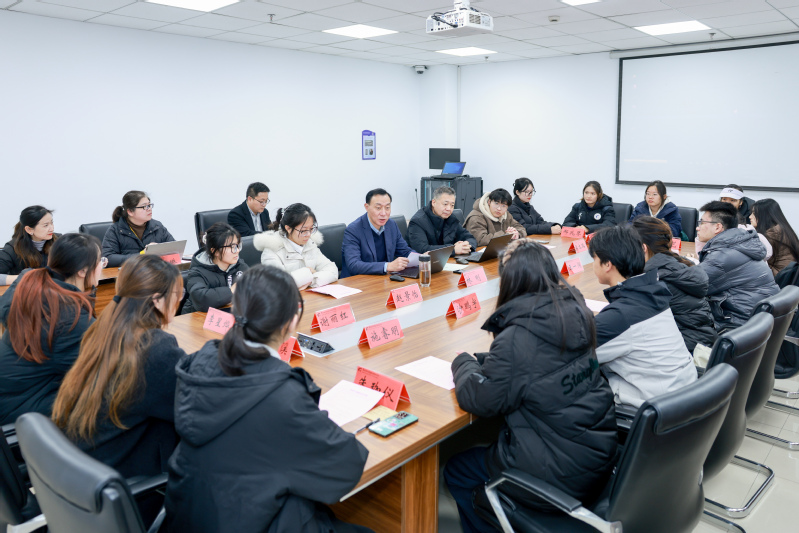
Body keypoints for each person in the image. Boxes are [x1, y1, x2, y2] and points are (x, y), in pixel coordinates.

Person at [163, 266, 370, 533]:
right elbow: (346, 466)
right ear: (292, 321)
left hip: (189, 517)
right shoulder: (282, 394)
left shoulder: (200, 360)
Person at [444, 239, 617, 533]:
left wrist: (462, 363)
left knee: (457, 470)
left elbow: (480, 400)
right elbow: (538, 364)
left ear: (510, 282)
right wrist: (489, 360)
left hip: (554, 474)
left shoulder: (519, 336)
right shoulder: (577, 310)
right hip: (597, 455)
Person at [52, 255, 186, 478]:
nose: (180, 299)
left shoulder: (104, 330)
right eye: (178, 293)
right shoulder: (154, 347)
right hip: (120, 481)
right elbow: (193, 408)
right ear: (157, 300)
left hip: (84, 469)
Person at [0, 234, 103, 425]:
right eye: (100, 262)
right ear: (83, 271)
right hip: (21, 413)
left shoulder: (35, 285)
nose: (102, 267)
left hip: (13, 394)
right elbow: (99, 371)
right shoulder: (69, 317)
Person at [589, 225, 697, 408]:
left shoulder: (621, 316)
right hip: (685, 397)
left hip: (653, 412)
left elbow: (572, 355)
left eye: (594, 258)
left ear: (607, 264)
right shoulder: (654, 292)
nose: (593, 264)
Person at [631, 217, 717, 353]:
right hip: (699, 343)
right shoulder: (676, 264)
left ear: (643, 248)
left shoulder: (655, 279)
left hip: (684, 351)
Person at [697, 201, 780, 331]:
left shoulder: (723, 256)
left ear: (717, 227)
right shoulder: (741, 244)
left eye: (702, 223)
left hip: (738, 326)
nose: (698, 228)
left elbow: (692, 284)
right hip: (759, 322)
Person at [255, 203, 338, 289]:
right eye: (303, 231)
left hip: (310, 295)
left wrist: (312, 279)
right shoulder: (271, 250)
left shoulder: (310, 244)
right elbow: (279, 284)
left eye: (311, 229)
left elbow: (332, 270)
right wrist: (308, 272)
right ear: (288, 228)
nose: (308, 234)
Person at [341, 188, 415, 277]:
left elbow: (405, 251)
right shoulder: (353, 230)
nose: (383, 213)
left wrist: (421, 258)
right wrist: (387, 266)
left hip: (383, 279)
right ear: (367, 207)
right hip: (358, 281)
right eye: (378, 208)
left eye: (387, 208)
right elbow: (354, 265)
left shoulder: (391, 225)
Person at [183, 222, 249, 314]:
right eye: (232, 247)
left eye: (238, 245)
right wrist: (232, 291)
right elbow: (202, 300)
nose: (237, 250)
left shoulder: (239, 265)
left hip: (227, 314)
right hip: (196, 318)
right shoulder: (197, 272)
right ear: (215, 251)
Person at [102, 191, 175, 267]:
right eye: (144, 206)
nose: (149, 209)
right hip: (130, 272)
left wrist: (159, 250)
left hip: (154, 271)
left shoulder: (157, 226)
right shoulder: (115, 230)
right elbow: (107, 258)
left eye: (149, 205)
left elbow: (175, 249)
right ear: (130, 211)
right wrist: (142, 254)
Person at [407, 186, 477, 255]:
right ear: (433, 202)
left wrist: (465, 245)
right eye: (445, 204)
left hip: (447, 260)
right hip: (424, 262)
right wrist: (453, 249)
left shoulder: (451, 218)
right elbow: (422, 249)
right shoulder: (418, 221)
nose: (449, 209)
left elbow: (470, 238)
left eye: (452, 205)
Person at [0, 206, 58, 286]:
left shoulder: (59, 241)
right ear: (29, 229)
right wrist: (26, 277)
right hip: (26, 291)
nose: (52, 228)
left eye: (52, 223)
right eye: (46, 225)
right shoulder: (12, 248)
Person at [750, 199, 799, 277]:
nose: (750, 217)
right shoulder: (782, 228)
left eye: (754, 213)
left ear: (765, 216)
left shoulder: (771, 235)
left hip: (779, 277)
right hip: (789, 275)